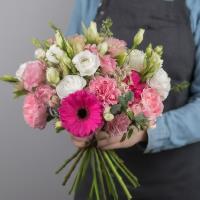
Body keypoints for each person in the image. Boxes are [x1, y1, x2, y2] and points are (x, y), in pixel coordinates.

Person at [66, 0, 200, 199]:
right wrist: (78, 119)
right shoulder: (91, 2)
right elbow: (70, 70)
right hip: (101, 181)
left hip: (175, 181)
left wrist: (147, 130)